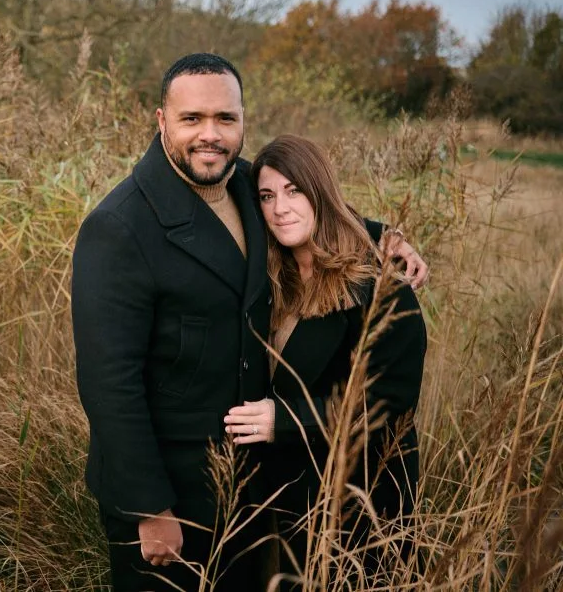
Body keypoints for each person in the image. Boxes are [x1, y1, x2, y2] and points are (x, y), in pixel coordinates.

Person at [72, 53, 428, 591]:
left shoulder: (244, 182)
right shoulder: (119, 227)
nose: (209, 135)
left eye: (225, 119)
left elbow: (310, 202)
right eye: (192, 119)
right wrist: (149, 507)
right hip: (170, 492)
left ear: (242, 122)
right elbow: (108, 382)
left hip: (252, 488)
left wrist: (384, 238)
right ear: (161, 120)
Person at [223, 134, 427, 590]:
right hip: (285, 496)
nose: (280, 208)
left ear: (320, 193)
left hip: (360, 500)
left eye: (295, 191)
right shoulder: (271, 273)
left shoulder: (378, 282)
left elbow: (389, 405)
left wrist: (287, 421)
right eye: (268, 195)